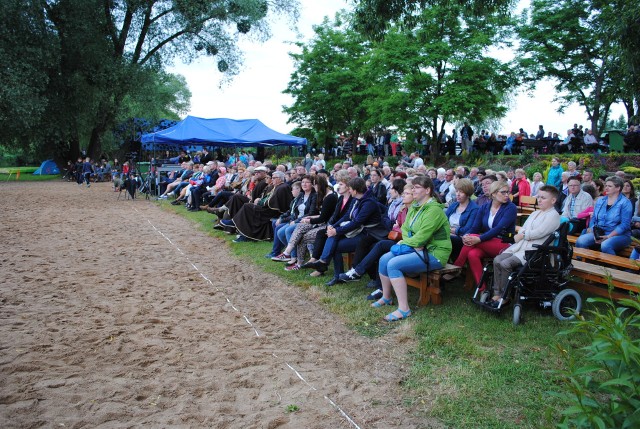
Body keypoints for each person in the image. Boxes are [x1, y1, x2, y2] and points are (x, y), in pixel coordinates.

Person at [370, 176, 451, 322]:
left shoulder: (434, 210)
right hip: (417, 248)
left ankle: (404, 309)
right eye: (412, 187)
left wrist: (409, 242)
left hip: (435, 253)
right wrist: (410, 241)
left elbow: (422, 238)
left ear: (427, 190)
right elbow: (405, 228)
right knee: (384, 259)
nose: (413, 190)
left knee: (393, 264)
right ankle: (387, 297)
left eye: (417, 187)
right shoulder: (415, 207)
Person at [304, 177, 383, 285]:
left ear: (355, 190)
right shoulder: (357, 199)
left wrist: (336, 231)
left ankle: (328, 267)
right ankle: (332, 271)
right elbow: (347, 216)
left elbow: (357, 222)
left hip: (369, 234)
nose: (349, 191)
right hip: (359, 232)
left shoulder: (369, 203)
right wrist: (333, 226)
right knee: (333, 240)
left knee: (335, 244)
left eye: (350, 188)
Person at [490, 186, 561, 306]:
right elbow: (523, 228)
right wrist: (522, 234)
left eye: (543, 198)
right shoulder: (535, 213)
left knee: (505, 264)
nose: (539, 200)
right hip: (520, 246)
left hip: (534, 251)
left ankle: (505, 296)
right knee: (497, 260)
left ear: (553, 200)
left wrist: (523, 235)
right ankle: (497, 292)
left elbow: (540, 232)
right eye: (538, 197)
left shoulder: (553, 215)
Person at [446, 181, 517, 285]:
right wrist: (467, 235)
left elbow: (498, 229)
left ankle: (457, 267)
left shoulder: (511, 208)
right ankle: (482, 288)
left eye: (508, 192)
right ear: (493, 194)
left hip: (504, 243)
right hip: (487, 242)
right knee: (472, 254)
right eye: (503, 192)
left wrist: (478, 238)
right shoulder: (485, 207)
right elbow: (475, 227)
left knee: (473, 238)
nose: (507, 195)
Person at [229, 171, 294, 242]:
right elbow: (268, 198)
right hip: (268, 208)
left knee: (247, 206)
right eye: (272, 178)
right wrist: (260, 199)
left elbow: (273, 202)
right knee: (247, 205)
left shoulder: (283, 187)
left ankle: (239, 229)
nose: (272, 179)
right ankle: (243, 233)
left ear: (280, 179)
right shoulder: (277, 186)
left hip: (272, 211)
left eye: (274, 178)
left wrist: (260, 202)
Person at [575, 176, 633, 255]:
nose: (606, 188)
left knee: (605, 245)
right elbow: (594, 218)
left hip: (620, 235)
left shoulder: (625, 203)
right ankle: (586, 263)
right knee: (581, 241)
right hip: (600, 232)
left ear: (618, 188)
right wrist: (593, 231)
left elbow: (625, 225)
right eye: (606, 185)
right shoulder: (600, 200)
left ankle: (611, 266)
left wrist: (608, 236)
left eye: (609, 186)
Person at [446, 179, 479, 262]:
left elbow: (467, 229)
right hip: (449, 233)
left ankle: (451, 265)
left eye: (461, 192)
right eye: (457, 191)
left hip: (462, 238)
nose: (458, 194)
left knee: (447, 238)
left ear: (468, 194)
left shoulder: (474, 209)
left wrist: (451, 230)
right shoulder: (453, 205)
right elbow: (443, 221)